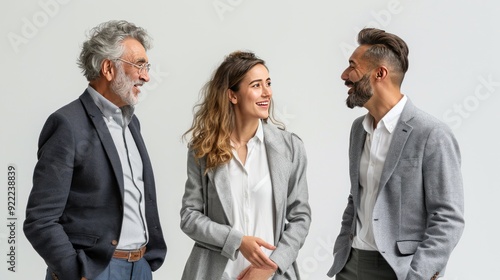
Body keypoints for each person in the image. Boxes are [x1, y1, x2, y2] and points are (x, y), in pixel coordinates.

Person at [23, 20, 167, 280]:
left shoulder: (132, 123)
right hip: (95, 271)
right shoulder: (67, 124)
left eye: (147, 67)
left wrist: (145, 264)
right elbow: (40, 219)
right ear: (109, 68)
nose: (146, 76)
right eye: (139, 65)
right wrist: (75, 272)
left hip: (141, 268)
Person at [327, 28, 465, 280]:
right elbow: (355, 196)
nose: (344, 75)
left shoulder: (432, 133)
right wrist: (342, 249)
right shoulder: (359, 129)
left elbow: (448, 216)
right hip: (350, 264)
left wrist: (419, 273)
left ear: (380, 73)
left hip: (397, 270)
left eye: (352, 67)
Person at [180, 51, 311, 280]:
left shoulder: (290, 148)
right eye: (256, 85)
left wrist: (270, 266)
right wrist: (237, 241)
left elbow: (300, 217)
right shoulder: (204, 149)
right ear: (233, 95)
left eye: (268, 83)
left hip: (270, 276)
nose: (267, 92)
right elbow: (190, 217)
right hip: (215, 274)